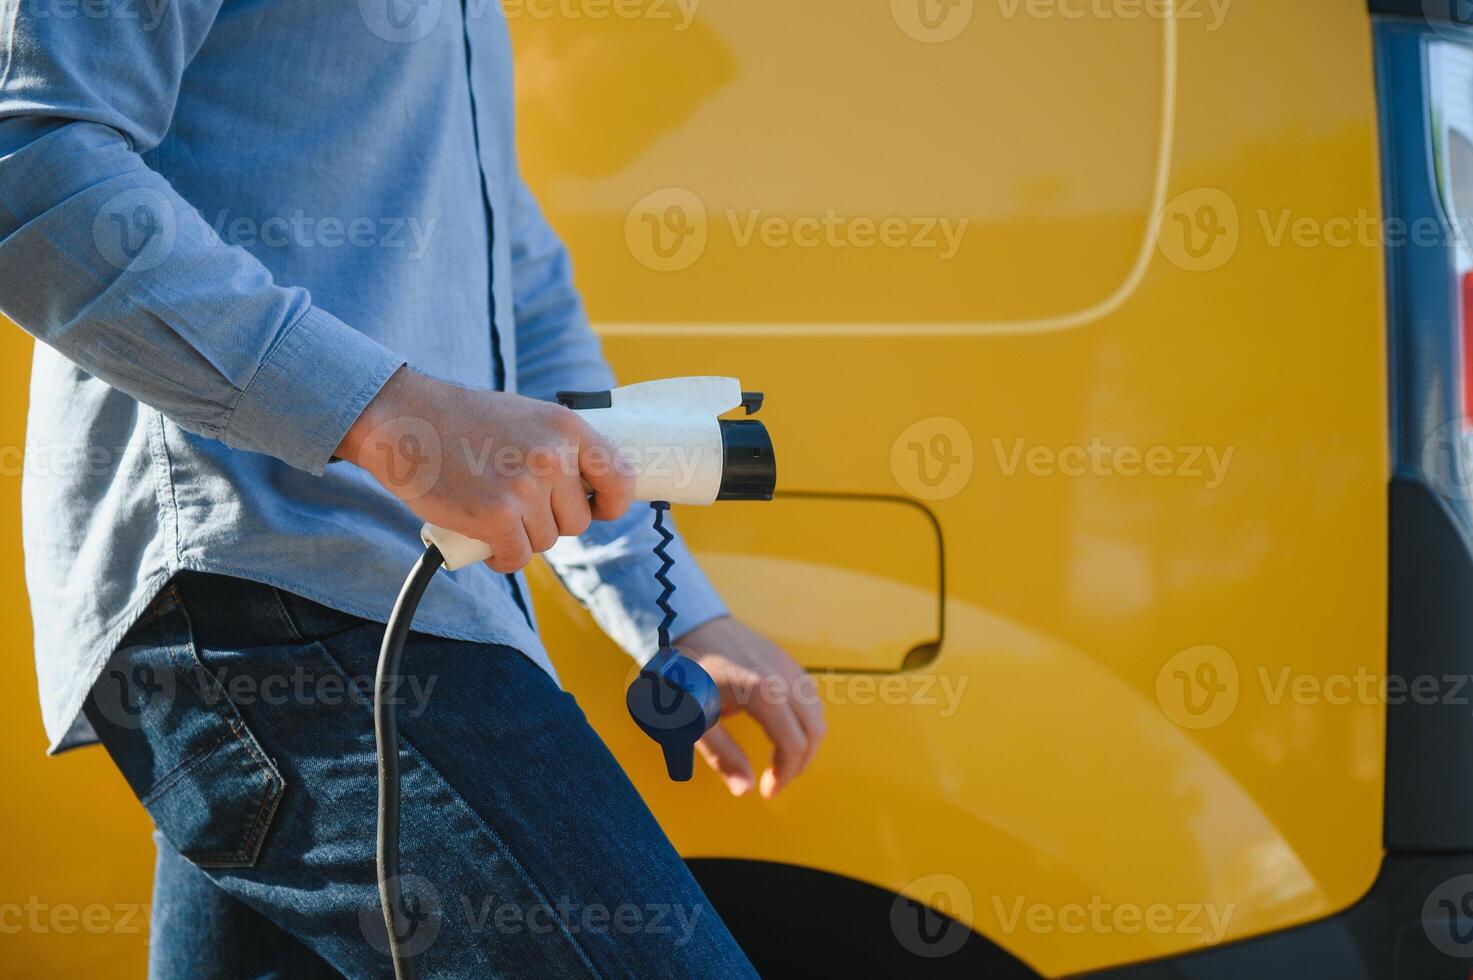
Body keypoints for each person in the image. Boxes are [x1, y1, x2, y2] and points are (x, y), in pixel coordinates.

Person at [0, 2, 825, 975]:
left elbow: (521, 301)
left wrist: (673, 611)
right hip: (271, 586)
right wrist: (393, 422)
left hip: (383, 609)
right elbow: (29, 160)